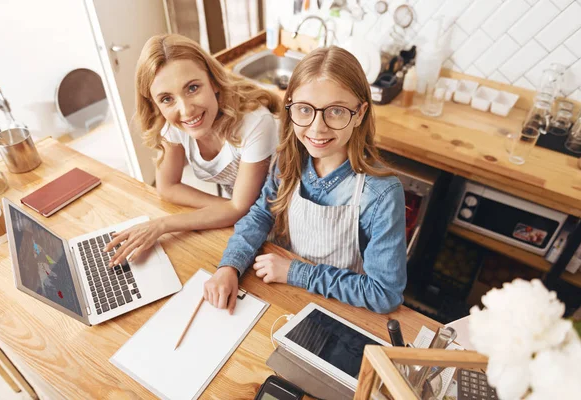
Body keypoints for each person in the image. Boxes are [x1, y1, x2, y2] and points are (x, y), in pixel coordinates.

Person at [204, 46, 407, 314]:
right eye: (304, 109)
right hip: (285, 295)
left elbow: (384, 293)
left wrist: (297, 273)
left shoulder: (381, 194)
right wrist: (229, 266)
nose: (317, 127)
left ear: (359, 114)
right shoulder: (289, 159)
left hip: (342, 310)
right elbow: (260, 216)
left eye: (335, 111)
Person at [104, 34, 281, 265]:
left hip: (284, 216)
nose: (186, 110)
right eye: (167, 99)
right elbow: (167, 187)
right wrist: (231, 209)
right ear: (155, 104)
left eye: (193, 88)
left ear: (214, 82)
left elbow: (240, 207)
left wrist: (162, 225)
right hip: (249, 221)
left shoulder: (255, 123)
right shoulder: (174, 123)